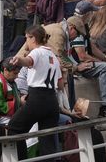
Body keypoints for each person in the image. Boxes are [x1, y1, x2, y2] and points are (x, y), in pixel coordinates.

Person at [7, 25, 64, 161]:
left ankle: (21, 159)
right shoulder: (54, 57)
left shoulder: (37, 52)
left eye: (27, 38)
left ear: (32, 38)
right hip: (52, 101)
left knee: (14, 128)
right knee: (47, 140)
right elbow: (60, 84)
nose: (26, 42)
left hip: (37, 98)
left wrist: (18, 60)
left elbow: (28, 61)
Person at [66, 15, 106, 116]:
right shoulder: (68, 35)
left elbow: (93, 48)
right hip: (78, 66)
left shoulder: (82, 30)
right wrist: (76, 67)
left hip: (78, 65)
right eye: (90, 13)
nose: (93, 14)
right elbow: (82, 56)